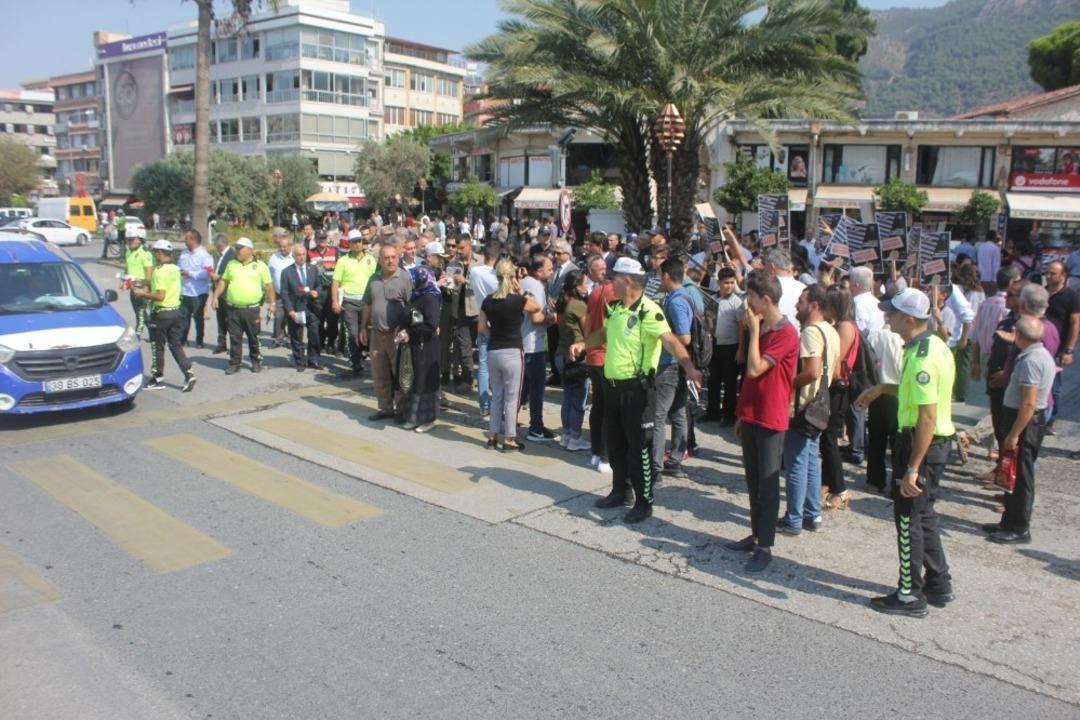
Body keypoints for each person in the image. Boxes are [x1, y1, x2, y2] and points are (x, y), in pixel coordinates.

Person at [570, 257, 703, 525]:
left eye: (613, 278)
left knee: (639, 448)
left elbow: (672, 342)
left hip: (638, 390)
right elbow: (602, 335)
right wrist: (584, 344)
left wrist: (690, 369)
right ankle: (621, 491)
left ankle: (644, 502)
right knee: (616, 444)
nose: (610, 283)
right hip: (612, 388)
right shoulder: (616, 308)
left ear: (627, 281)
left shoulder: (649, 311)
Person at [855, 288, 955, 618]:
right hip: (929, 444)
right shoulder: (932, 345)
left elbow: (927, 415)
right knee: (924, 516)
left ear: (909, 319)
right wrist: (882, 388)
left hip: (920, 446)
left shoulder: (923, 357)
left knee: (908, 519)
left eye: (893, 314)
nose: (887, 317)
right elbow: (916, 395)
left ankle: (910, 595)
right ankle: (938, 582)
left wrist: (912, 466)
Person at [726, 269, 800, 572]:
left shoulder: (785, 333)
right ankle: (756, 534)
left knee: (767, 487)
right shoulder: (766, 329)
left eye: (752, 298)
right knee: (752, 481)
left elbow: (756, 369)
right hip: (753, 413)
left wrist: (753, 331)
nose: (748, 304)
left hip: (771, 418)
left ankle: (765, 546)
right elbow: (748, 377)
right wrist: (742, 413)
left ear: (765, 299)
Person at [983, 316, 1055, 544]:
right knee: (1012, 472)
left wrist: (1014, 434)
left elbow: (1028, 403)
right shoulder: (1035, 355)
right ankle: (1008, 520)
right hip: (1022, 419)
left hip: (1025, 422)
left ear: (1019, 336)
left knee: (1022, 477)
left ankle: (1020, 527)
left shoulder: (1031, 360)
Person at [778, 284, 838, 535]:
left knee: (796, 463)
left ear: (814, 305)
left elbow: (812, 370)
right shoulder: (831, 331)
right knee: (811, 460)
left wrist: (787, 383)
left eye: (801, 301)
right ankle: (812, 514)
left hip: (805, 406)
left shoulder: (812, 332)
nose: (796, 305)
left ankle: (793, 518)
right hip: (820, 406)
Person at [479, 259, 542, 451]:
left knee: (496, 394)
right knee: (512, 396)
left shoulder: (488, 300)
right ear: (513, 276)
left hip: (493, 350)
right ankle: (509, 438)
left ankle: (492, 436)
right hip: (513, 350)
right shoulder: (517, 300)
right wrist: (520, 288)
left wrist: (495, 334)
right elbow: (536, 307)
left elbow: (481, 327)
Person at [133, 240, 196, 392]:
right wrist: (142, 281)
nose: (155, 255)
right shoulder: (175, 269)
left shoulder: (159, 272)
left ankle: (157, 377)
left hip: (161, 314)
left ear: (160, 253)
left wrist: (142, 293)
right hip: (175, 311)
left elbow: (160, 295)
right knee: (175, 345)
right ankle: (188, 373)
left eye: (155, 252)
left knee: (157, 347)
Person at [361, 242, 414, 422]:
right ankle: (385, 409)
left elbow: (412, 306)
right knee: (379, 374)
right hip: (376, 335)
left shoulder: (405, 278)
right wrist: (363, 327)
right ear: (380, 260)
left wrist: (408, 330)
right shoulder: (373, 279)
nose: (390, 261)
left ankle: (401, 411)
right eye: (386, 258)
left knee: (399, 375)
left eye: (393, 257)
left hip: (396, 336)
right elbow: (367, 304)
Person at [652, 257, 694, 479]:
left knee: (659, 416)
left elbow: (685, 337)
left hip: (670, 364)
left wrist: (663, 337)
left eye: (660, 275)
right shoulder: (683, 296)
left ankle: (656, 466)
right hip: (678, 364)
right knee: (678, 413)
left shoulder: (677, 301)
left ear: (667, 275)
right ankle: (675, 460)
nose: (659, 279)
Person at [212, 237, 274, 374]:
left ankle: (256, 361)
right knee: (235, 337)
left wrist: (272, 304)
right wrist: (215, 296)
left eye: (240, 249)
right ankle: (235, 363)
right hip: (233, 309)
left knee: (254, 337)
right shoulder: (231, 264)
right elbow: (223, 282)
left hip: (251, 309)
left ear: (249, 250)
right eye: (237, 248)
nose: (237, 251)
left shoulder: (260, 266)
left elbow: (269, 286)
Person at [821, 286, 858, 510]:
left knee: (830, 440)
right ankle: (827, 482)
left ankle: (840, 489)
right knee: (826, 439)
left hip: (838, 388)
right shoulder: (842, 324)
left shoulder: (845, 326)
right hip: (836, 387)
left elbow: (836, 365)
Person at [398, 266, 443, 432]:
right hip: (414, 344)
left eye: (413, 279)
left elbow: (431, 324)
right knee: (414, 379)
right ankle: (413, 417)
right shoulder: (416, 295)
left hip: (427, 346)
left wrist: (410, 331)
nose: (411, 282)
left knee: (426, 381)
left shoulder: (430, 298)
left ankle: (427, 418)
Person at [584, 254, 616, 474]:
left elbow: (588, 324)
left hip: (594, 355)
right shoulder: (611, 292)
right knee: (608, 410)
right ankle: (604, 456)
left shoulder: (595, 291)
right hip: (605, 356)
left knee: (598, 407)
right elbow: (610, 327)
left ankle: (597, 453)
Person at [554, 269, 592, 452]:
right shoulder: (578, 305)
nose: (587, 287)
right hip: (575, 356)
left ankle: (566, 435)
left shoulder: (563, 302)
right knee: (578, 399)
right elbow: (588, 331)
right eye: (584, 283)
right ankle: (575, 437)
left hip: (561, 354)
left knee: (568, 397)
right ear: (576, 286)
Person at [331, 226, 377, 377]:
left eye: (359, 241)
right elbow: (335, 283)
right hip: (349, 302)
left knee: (367, 333)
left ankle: (363, 356)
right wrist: (335, 302)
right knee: (352, 333)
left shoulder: (370, 259)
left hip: (366, 303)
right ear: (349, 244)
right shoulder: (343, 261)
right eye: (354, 242)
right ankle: (355, 363)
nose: (357, 244)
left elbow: (376, 280)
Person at [521, 254, 557, 442]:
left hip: (524, 342)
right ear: (538, 270)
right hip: (533, 344)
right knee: (536, 388)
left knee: (524, 387)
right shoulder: (535, 286)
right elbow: (536, 319)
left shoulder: (524, 282)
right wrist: (553, 319)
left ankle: (506, 419)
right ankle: (536, 427)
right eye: (549, 269)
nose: (552, 272)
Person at [705, 267, 744, 426]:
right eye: (725, 283)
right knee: (713, 380)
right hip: (715, 345)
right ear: (718, 283)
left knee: (729, 382)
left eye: (732, 283)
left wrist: (741, 349)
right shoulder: (713, 299)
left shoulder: (737, 303)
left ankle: (729, 414)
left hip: (731, 346)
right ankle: (712, 412)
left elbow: (742, 328)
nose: (729, 286)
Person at [1043, 260, 1079, 429]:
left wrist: (1069, 350)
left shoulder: (1071, 296)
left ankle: (1051, 419)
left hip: (1057, 350)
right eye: (1047, 273)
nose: (1048, 276)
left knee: (1054, 385)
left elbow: (1075, 324)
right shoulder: (1042, 293)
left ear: (1063, 275)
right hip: (1039, 346)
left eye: (1053, 273)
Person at [469, 241, 500, 417]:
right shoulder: (498, 275)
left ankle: (484, 405)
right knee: (497, 365)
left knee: (483, 365)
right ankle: (496, 402)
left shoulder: (475, 272)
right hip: (498, 322)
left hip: (482, 317)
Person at [280, 244, 322, 371]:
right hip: (296, 308)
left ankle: (313, 359)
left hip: (311, 307)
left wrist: (317, 292)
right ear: (293, 256)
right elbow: (284, 293)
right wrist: (290, 310)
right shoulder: (287, 272)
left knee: (314, 334)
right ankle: (300, 362)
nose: (302, 257)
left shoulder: (312, 269)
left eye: (303, 254)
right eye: (298, 255)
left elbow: (319, 285)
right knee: (296, 336)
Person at [177, 229, 213, 349]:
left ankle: (199, 340)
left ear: (193, 240)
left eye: (187, 238)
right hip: (185, 291)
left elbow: (207, 274)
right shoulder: (184, 253)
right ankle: (182, 339)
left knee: (198, 318)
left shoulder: (205, 256)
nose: (184, 240)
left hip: (199, 292)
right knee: (183, 317)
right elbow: (179, 267)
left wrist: (190, 273)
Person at [762, 248, 806, 330]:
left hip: (774, 338)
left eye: (765, 267)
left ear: (772, 267)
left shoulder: (766, 288)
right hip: (798, 339)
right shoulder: (803, 288)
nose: (764, 270)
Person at [122, 232, 154, 339]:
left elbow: (149, 272)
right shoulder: (128, 252)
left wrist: (146, 287)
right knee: (140, 312)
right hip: (132, 286)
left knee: (140, 313)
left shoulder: (145, 253)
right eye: (128, 240)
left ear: (139, 240)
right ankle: (153, 331)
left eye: (132, 239)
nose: (129, 242)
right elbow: (127, 268)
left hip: (142, 287)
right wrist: (123, 281)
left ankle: (137, 335)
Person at [267, 229, 294, 349]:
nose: (282, 249)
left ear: (290, 246)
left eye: (285, 246)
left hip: (293, 294)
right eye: (280, 246)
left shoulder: (294, 257)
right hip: (278, 293)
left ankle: (291, 339)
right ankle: (278, 339)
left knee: (291, 317)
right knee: (278, 316)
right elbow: (269, 276)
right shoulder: (274, 257)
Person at [209, 233, 235, 354]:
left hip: (226, 292)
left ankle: (234, 345)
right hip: (219, 292)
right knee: (221, 319)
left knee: (230, 321)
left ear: (220, 244)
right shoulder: (221, 255)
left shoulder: (231, 255)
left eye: (216, 245)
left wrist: (217, 276)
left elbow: (230, 274)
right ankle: (222, 343)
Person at [977, 231, 1002, 295]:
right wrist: (996, 279)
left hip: (980, 277)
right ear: (994, 237)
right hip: (991, 279)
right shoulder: (995, 248)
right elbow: (995, 265)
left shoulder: (980, 247)